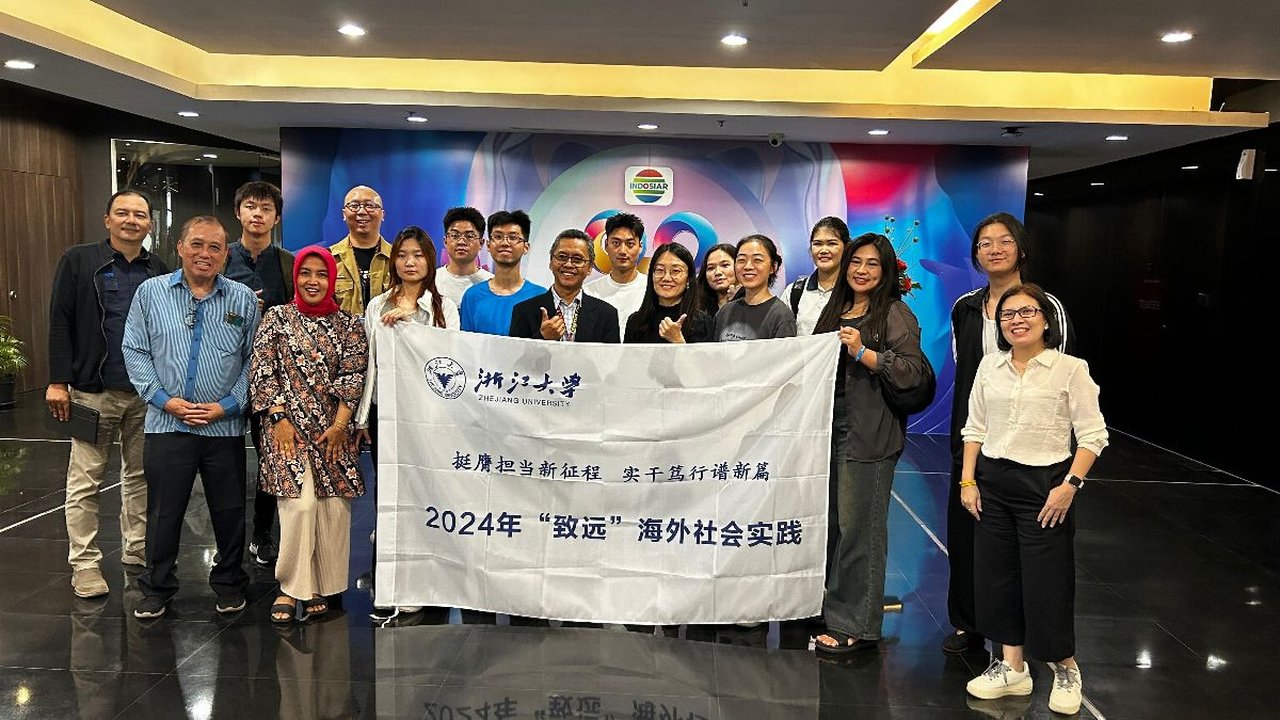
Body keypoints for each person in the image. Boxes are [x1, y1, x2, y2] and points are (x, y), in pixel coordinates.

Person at [960, 283, 1106, 716]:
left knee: (1047, 580)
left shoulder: (1070, 369)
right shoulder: (989, 366)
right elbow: (975, 427)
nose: (1017, 321)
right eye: (1008, 315)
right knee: (996, 577)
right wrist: (968, 481)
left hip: (1045, 485)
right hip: (993, 482)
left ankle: (1065, 667)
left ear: (1046, 320)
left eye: (1027, 312)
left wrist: (1070, 485)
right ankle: (1012, 666)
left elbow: (1093, 435)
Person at [943, 212, 1073, 656]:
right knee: (966, 532)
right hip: (974, 435)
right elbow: (966, 370)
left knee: (1025, 541)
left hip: (1031, 447)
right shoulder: (964, 307)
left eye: (1004, 241)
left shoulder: (1045, 306)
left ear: (1021, 249)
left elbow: (1058, 376)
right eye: (985, 243)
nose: (994, 249)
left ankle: (1020, 633)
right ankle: (968, 622)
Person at [122, 216, 260, 619]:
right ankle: (157, 586)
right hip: (167, 424)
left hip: (224, 426)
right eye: (197, 244)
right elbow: (134, 350)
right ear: (180, 247)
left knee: (229, 511)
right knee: (164, 512)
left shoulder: (242, 299)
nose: (205, 254)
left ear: (225, 254)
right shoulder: (150, 293)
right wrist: (164, 400)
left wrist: (228, 405)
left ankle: (230, 583)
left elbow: (255, 360)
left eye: (215, 247)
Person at [47, 190, 169, 598]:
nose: (131, 220)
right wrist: (58, 381)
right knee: (85, 480)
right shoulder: (79, 261)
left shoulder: (158, 269)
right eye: (123, 213)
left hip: (145, 393)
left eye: (140, 215)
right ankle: (84, 564)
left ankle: (136, 547)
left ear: (150, 224)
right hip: (92, 391)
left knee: (140, 476)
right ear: (107, 219)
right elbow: (60, 320)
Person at [811, 233, 929, 655]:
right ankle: (832, 608)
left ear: (886, 271)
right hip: (827, 427)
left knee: (860, 529)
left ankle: (856, 625)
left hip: (869, 431)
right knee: (833, 526)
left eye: (872, 264)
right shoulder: (836, 308)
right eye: (856, 262)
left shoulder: (894, 313)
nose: (861, 270)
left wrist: (865, 353)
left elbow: (913, 371)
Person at [249, 246, 368, 623]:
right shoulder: (277, 318)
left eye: (321, 274)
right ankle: (290, 587)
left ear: (331, 279)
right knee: (299, 508)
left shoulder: (350, 324)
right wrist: (279, 418)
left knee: (332, 512)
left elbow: (353, 376)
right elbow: (263, 370)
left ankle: (321, 585)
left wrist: (340, 426)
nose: (312, 281)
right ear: (295, 276)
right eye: (305, 273)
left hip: (334, 433)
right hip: (286, 431)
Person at [356, 226, 457, 619]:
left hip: (428, 417)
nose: (410, 262)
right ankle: (390, 582)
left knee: (423, 493)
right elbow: (369, 362)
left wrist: (412, 323)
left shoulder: (445, 307)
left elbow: (449, 361)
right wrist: (363, 417)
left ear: (430, 260)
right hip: (386, 412)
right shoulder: (376, 306)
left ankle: (423, 579)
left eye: (417, 255)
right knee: (388, 494)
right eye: (402, 255)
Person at [221, 180, 294, 568]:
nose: (258, 214)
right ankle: (227, 539)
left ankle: (262, 532)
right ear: (238, 212)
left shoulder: (287, 263)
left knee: (271, 457)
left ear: (276, 218)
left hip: (273, 377)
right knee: (223, 461)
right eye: (251, 206)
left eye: (266, 209)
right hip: (224, 374)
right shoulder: (220, 258)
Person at [510, 229, 619, 343]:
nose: (568, 264)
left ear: (590, 268)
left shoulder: (606, 314)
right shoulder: (523, 311)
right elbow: (516, 353)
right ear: (551, 262)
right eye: (562, 257)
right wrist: (542, 337)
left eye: (577, 259)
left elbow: (611, 354)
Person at [459, 210, 545, 335]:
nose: (505, 243)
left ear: (526, 247)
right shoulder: (472, 296)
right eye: (498, 237)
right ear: (489, 245)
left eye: (513, 237)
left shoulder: (540, 296)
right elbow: (465, 343)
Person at [623, 242, 712, 343]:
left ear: (688, 279)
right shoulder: (635, 321)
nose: (666, 278)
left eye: (676, 271)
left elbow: (704, 354)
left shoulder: (702, 322)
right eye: (660, 270)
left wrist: (677, 340)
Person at [713, 235, 796, 341]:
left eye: (757, 260)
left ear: (773, 267)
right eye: (741, 260)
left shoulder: (781, 316)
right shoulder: (725, 312)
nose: (748, 266)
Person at [329, 185, 390, 315]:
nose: (362, 211)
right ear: (344, 214)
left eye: (370, 205)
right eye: (354, 206)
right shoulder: (329, 259)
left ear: (382, 214)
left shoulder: (398, 258)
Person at [585, 213, 647, 337]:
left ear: (640, 246)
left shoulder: (653, 290)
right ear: (606, 245)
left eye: (630, 244)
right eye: (616, 243)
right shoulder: (588, 292)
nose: (623, 251)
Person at [788, 217, 851, 336]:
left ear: (846, 247)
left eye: (832, 243)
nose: (824, 250)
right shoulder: (794, 291)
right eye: (817, 244)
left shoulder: (856, 291)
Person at [435, 206, 493, 306]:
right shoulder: (431, 281)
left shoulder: (492, 283)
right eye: (454, 235)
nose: (461, 242)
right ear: (445, 241)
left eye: (469, 236)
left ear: (481, 243)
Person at [697, 242, 740, 315]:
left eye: (725, 265)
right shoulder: (698, 308)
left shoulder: (753, 302)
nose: (717, 272)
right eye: (711, 268)